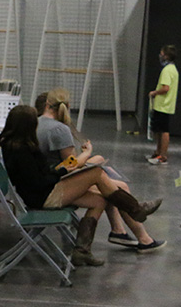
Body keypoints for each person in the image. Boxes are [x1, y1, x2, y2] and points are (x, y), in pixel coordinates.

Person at [0, 105, 165, 261]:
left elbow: (43, 173)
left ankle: (82, 251)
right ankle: (136, 209)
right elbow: (46, 176)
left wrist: (63, 170)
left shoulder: (14, 146)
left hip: (43, 190)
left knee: (99, 200)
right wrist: (66, 170)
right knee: (97, 173)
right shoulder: (26, 149)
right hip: (43, 196)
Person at [34, 87, 135, 246]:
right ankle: (135, 214)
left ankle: (118, 230)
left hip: (43, 182)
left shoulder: (36, 125)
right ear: (66, 106)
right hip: (54, 185)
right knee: (114, 186)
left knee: (103, 186)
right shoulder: (59, 129)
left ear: (47, 104)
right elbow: (70, 165)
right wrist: (86, 154)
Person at [147, 45, 179, 164]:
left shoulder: (166, 70)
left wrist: (154, 92)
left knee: (163, 130)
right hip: (166, 105)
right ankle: (158, 152)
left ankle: (162, 154)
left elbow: (166, 88)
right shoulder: (173, 69)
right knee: (160, 130)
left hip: (162, 105)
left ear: (166, 56)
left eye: (161, 53)